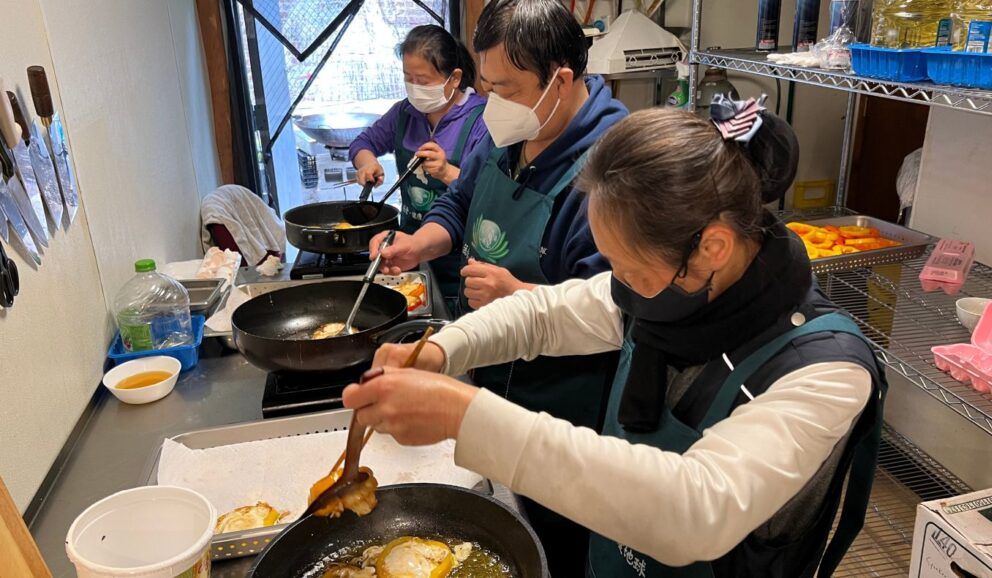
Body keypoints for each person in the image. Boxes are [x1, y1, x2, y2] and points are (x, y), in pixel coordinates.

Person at [346, 107, 888, 577]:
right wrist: (442, 349)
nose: (616, 283)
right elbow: (543, 314)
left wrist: (467, 418)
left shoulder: (826, 371)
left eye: (629, 268)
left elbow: (694, 509)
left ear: (713, 247)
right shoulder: (664, 291)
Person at [368, 0, 628, 573]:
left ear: (560, 81)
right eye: (487, 86)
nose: (494, 104)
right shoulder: (509, 126)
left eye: (506, 88)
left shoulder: (612, 168)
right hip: (490, 368)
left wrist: (519, 293)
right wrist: (420, 243)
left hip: (561, 401)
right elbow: (460, 201)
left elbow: (615, 311)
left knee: (550, 544)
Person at [349, 24, 488, 304]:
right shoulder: (405, 113)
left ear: (454, 78)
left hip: (461, 259)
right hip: (409, 249)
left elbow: (489, 191)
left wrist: (448, 172)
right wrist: (368, 164)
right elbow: (362, 144)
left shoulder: (481, 120)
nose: (414, 88)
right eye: (408, 79)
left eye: (423, 81)